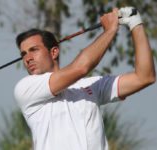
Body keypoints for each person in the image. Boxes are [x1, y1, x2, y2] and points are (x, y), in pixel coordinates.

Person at [14, 7, 155, 150]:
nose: (28, 58)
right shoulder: (25, 88)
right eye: (23, 54)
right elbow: (81, 68)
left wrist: (135, 24)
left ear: (54, 52)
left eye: (34, 50)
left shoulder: (89, 86)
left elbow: (145, 77)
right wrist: (110, 31)